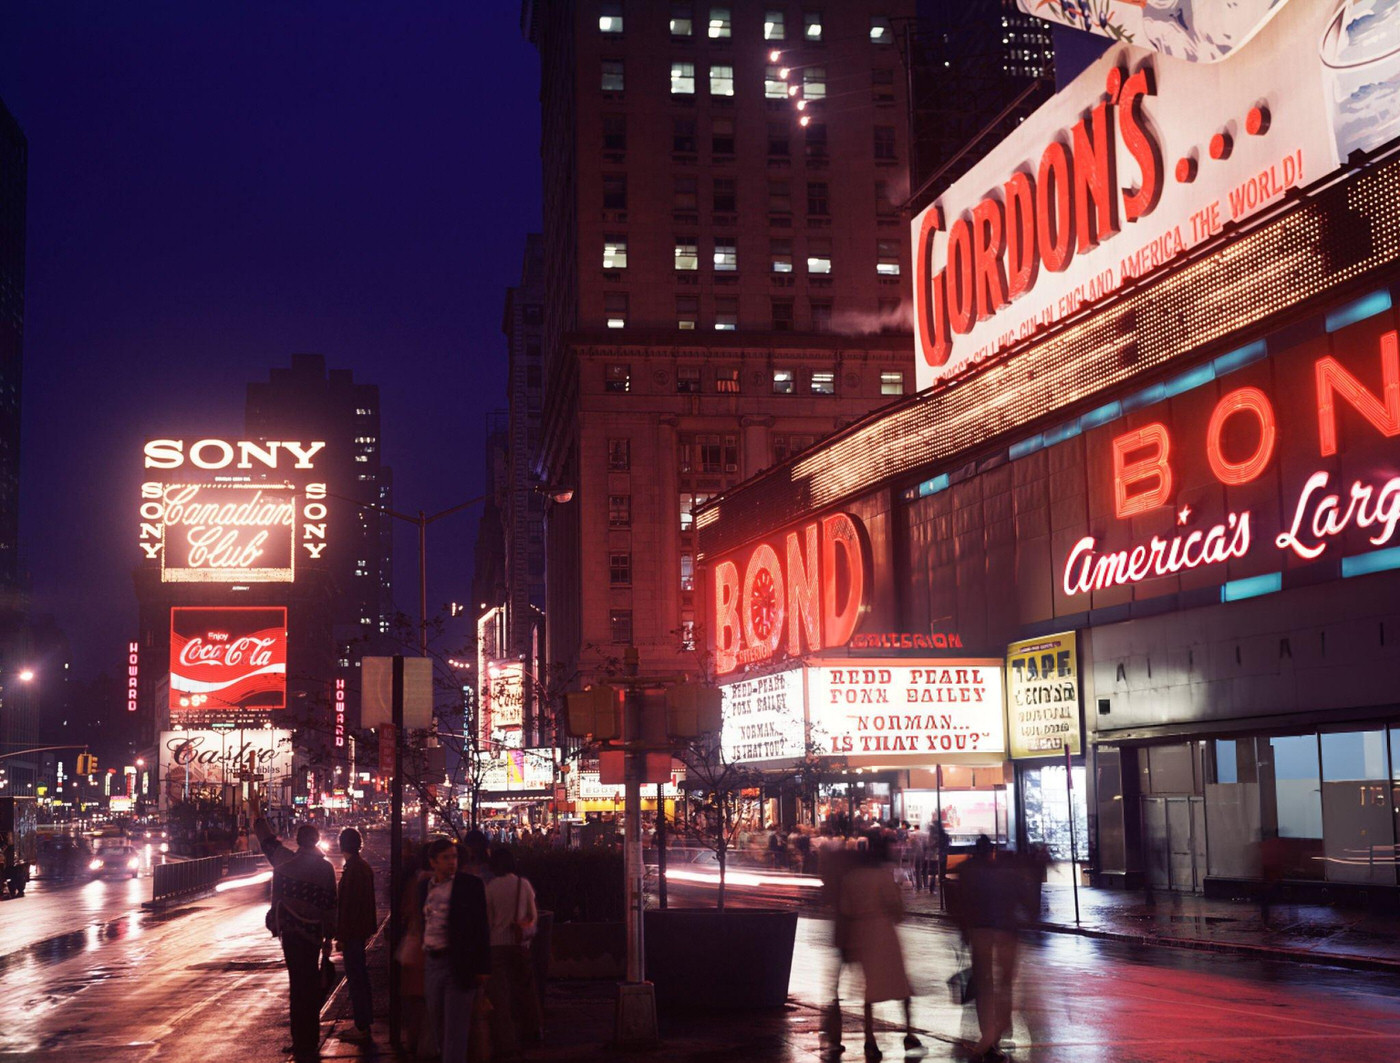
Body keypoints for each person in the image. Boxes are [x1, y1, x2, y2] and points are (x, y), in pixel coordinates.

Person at [254, 814, 337, 1062]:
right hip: (313, 935)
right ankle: (310, 1039)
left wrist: (258, 818)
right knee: (310, 986)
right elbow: (331, 905)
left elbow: (267, 842)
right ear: (316, 841)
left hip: (290, 934)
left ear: (299, 842)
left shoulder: (285, 862)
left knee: (297, 987)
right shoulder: (325, 869)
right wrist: (329, 937)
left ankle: (300, 1042)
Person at [839, 834, 921, 1061]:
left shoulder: (851, 878)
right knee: (900, 983)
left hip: (861, 934)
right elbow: (896, 907)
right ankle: (909, 1031)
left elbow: (846, 908)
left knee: (870, 988)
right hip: (883, 933)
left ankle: (869, 1036)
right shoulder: (882, 877)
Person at [951, 836, 1030, 1063]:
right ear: (992, 852)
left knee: (984, 985)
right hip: (1005, 931)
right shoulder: (1005, 872)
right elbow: (1023, 899)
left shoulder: (966, 871)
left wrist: (963, 930)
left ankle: (989, 1034)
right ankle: (998, 1031)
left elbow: (961, 903)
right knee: (1004, 983)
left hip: (980, 932)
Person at [419, 837, 491, 1063]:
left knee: (456, 1030)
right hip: (433, 961)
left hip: (459, 962)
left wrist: (482, 967)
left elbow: (481, 926)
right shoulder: (425, 887)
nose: (452, 862)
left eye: (454, 857)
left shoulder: (470, 885)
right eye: (445, 858)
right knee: (437, 1023)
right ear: (433, 862)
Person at [484, 847, 543, 1059]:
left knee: (500, 995)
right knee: (525, 989)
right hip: (519, 945)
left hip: (495, 946)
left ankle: (506, 1041)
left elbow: (488, 920)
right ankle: (532, 1032)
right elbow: (532, 915)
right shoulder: (523, 884)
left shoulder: (490, 888)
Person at [336, 828, 377, 1040]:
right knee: (359, 977)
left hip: (353, 932)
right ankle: (363, 1023)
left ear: (342, 845)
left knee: (357, 978)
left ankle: (362, 1026)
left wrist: (341, 935)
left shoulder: (354, 869)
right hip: (359, 931)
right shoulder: (360, 867)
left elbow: (349, 906)